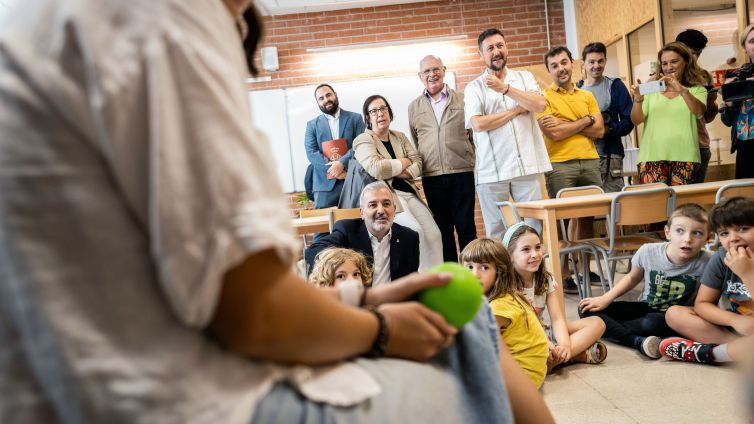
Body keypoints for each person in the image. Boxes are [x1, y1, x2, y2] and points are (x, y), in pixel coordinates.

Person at [0, 1, 558, 422]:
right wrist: (380, 327)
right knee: (468, 321)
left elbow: (186, 282)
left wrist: (362, 298)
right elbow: (254, 312)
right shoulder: (164, 20)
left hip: (70, 380)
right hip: (166, 399)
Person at [578, 204, 712, 359]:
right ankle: (637, 341)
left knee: (649, 323)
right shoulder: (648, 251)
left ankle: (610, 331)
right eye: (680, 231)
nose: (687, 239)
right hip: (644, 307)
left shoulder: (709, 261)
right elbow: (632, 278)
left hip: (672, 318)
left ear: (708, 238)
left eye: (697, 233)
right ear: (667, 233)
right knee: (586, 309)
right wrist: (605, 298)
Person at [464, 28, 551, 238]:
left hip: (527, 167)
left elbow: (539, 104)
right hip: (491, 172)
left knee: (533, 229)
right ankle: (502, 272)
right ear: (481, 54)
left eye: (500, 46)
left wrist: (506, 89)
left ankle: (534, 271)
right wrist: (516, 109)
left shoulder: (524, 77)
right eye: (490, 48)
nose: (496, 52)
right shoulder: (474, 87)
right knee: (497, 233)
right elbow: (478, 124)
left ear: (507, 48)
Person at [537, 46, 605, 292]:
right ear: (549, 70)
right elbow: (553, 133)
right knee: (562, 222)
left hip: (589, 160)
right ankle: (564, 273)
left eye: (564, 62)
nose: (560, 68)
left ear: (573, 63)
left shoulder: (586, 95)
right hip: (559, 164)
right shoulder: (544, 98)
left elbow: (599, 131)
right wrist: (586, 120)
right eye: (554, 65)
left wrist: (571, 123)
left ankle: (584, 269)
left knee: (587, 218)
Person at [354, 95, 443, 271]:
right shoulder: (363, 140)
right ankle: (414, 283)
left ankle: (435, 283)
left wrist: (396, 168)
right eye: (374, 111)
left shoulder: (400, 136)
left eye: (383, 108)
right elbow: (376, 168)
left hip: (409, 192)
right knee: (415, 232)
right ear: (367, 117)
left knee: (434, 235)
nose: (380, 114)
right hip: (388, 197)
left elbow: (418, 161)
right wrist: (403, 162)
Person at [661, 197, 754, 364]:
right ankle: (738, 351)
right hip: (738, 328)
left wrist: (747, 274)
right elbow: (702, 304)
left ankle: (711, 354)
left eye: (743, 228)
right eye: (725, 233)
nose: (733, 238)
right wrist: (735, 320)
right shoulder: (721, 258)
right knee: (675, 314)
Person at [504, 223, 607, 369]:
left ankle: (557, 357)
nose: (535, 254)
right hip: (524, 338)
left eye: (538, 247)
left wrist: (565, 345)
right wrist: (544, 343)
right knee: (521, 359)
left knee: (597, 323)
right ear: (510, 256)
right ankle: (573, 356)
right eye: (526, 249)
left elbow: (558, 319)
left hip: (544, 331)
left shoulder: (546, 280)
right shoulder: (506, 285)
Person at [409, 55, 476, 262]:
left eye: (436, 69)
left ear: (444, 70)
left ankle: (471, 273)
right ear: (420, 76)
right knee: (443, 231)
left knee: (466, 227)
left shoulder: (463, 99)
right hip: (432, 177)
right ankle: (452, 277)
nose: (432, 74)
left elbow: (474, 136)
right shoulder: (414, 107)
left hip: (461, 173)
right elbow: (416, 139)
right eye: (427, 71)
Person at [461, 238, 550, 388]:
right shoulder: (504, 295)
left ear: (500, 272)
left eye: (484, 268)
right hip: (525, 373)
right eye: (469, 267)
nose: (474, 274)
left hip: (521, 381)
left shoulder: (498, 307)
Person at [305, 181, 420, 285]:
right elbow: (313, 252)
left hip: (393, 304)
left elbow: (412, 281)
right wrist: (345, 260)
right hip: (359, 303)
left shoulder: (409, 237)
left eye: (386, 204)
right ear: (362, 212)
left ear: (394, 209)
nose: (381, 210)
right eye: (373, 205)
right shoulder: (348, 230)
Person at [630, 42, 707, 185]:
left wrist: (682, 90)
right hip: (651, 157)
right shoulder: (651, 89)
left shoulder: (697, 89)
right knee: (656, 205)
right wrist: (638, 100)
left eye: (674, 62)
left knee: (682, 205)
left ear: (686, 61)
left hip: (686, 157)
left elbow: (699, 112)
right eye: (664, 63)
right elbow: (636, 120)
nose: (669, 67)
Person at [577, 42, 635, 192]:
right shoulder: (576, 90)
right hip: (583, 157)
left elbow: (629, 121)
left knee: (614, 201)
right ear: (583, 63)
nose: (596, 65)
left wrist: (608, 130)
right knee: (584, 204)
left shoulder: (615, 86)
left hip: (611, 154)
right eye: (592, 62)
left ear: (605, 61)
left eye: (600, 61)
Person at [304, 84, 365, 210]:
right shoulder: (312, 125)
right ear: (317, 102)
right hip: (324, 184)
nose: (326, 99)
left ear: (335, 94)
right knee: (324, 227)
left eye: (328, 95)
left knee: (356, 222)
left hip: (351, 179)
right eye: (321, 98)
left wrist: (342, 163)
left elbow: (360, 145)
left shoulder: (355, 118)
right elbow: (311, 152)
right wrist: (334, 170)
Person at [675, 29, 719, 183]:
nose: (694, 58)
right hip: (672, 146)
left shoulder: (704, 76)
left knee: (692, 198)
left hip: (698, 143)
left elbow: (706, 117)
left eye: (698, 54)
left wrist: (711, 101)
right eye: (691, 53)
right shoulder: (663, 77)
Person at [720, 24, 754, 179]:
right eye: (752, 41)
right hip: (745, 144)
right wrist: (728, 100)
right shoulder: (739, 76)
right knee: (746, 197)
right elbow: (728, 121)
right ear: (745, 48)